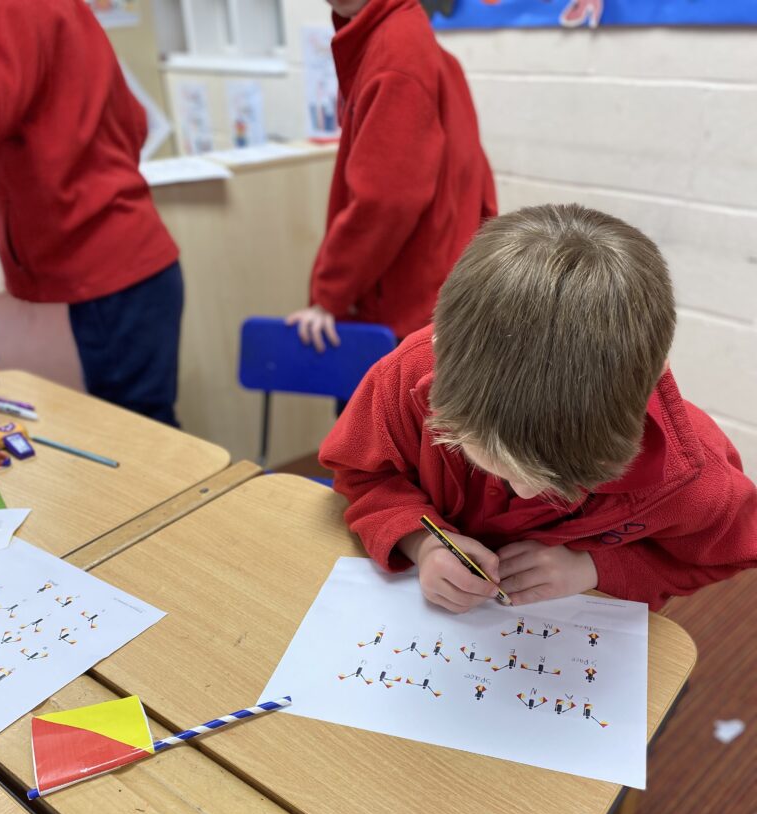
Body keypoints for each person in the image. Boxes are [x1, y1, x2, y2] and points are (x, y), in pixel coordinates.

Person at [319, 204, 757, 612]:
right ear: (441, 354)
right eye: (495, 464)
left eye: (565, 476)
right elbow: (360, 472)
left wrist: (596, 568)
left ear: (653, 380)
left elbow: (733, 550)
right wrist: (419, 541)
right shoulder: (403, 378)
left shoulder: (690, 473)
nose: (525, 492)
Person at [0, 0, 182, 425]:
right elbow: (134, 122)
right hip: (129, 259)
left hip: (104, 266)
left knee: (138, 440)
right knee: (144, 433)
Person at [288, 0, 496, 352]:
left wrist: (330, 294)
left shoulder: (394, 53)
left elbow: (386, 199)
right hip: (431, 299)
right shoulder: (400, 37)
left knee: (376, 408)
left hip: (406, 312)